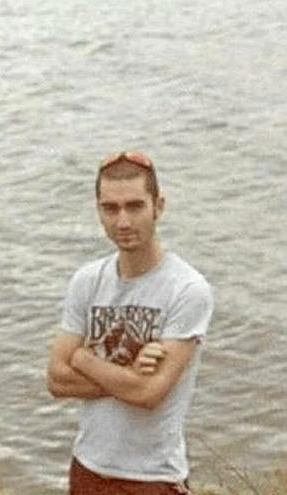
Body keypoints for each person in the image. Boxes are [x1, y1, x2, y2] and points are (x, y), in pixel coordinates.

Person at [46, 151, 214, 495]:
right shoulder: (87, 280)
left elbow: (149, 393)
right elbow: (57, 379)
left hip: (152, 477)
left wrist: (84, 359)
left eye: (135, 206)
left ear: (158, 206)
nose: (123, 221)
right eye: (111, 208)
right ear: (99, 212)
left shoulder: (187, 289)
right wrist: (129, 373)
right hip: (87, 467)